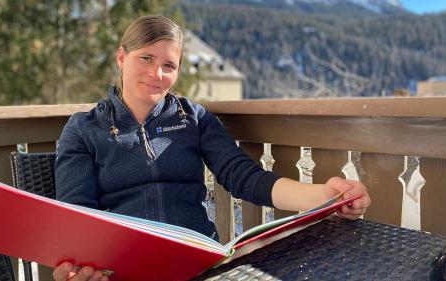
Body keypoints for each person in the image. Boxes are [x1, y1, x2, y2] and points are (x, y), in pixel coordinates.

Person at [52, 15, 371, 281]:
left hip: (198, 264)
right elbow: (76, 218)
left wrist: (326, 196)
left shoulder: (193, 118)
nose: (157, 74)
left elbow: (244, 176)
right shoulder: (84, 128)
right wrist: (81, 270)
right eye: (146, 59)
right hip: (126, 269)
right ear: (122, 57)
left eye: (169, 65)